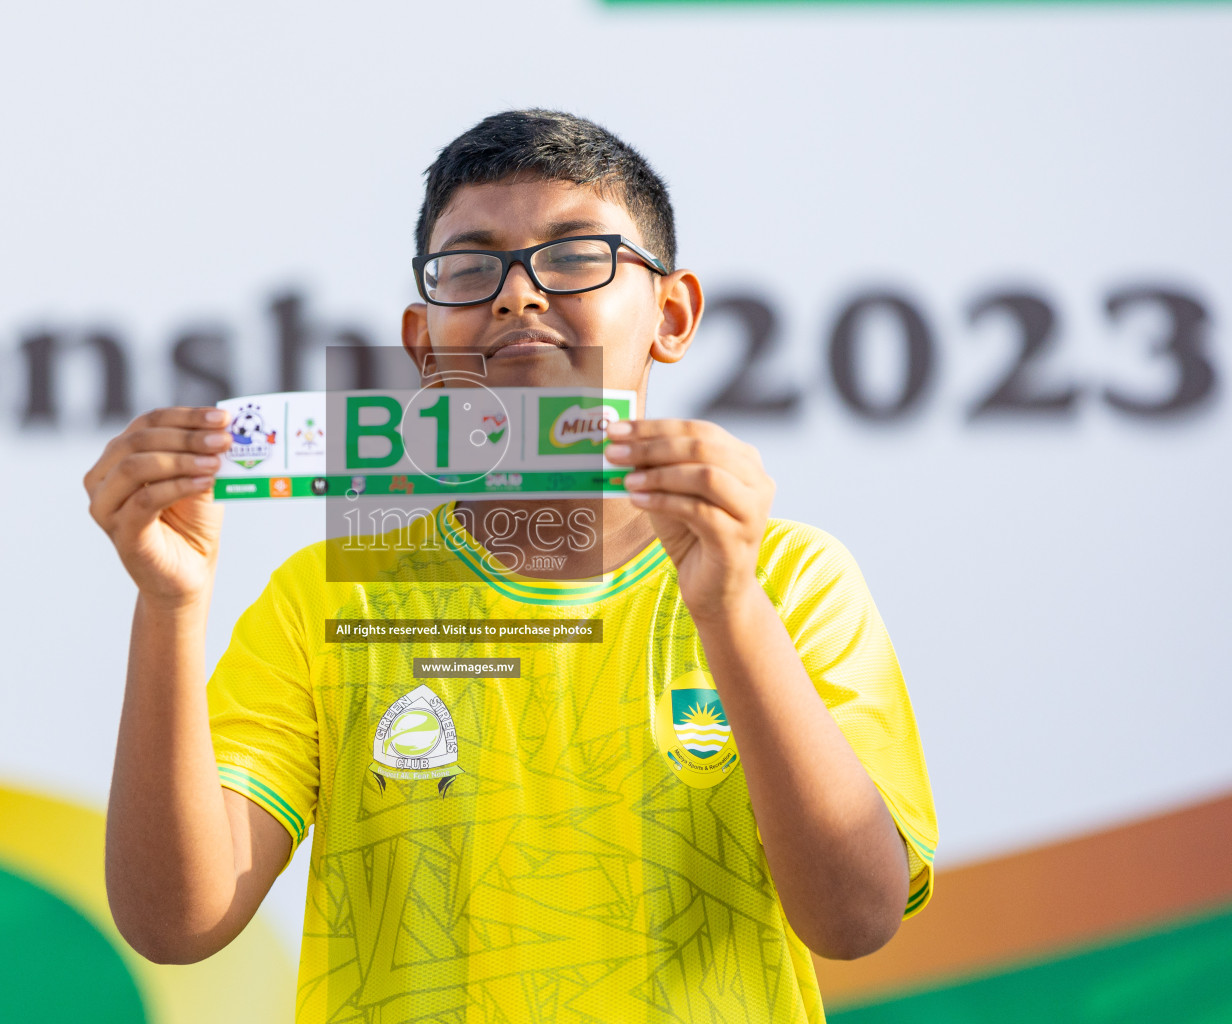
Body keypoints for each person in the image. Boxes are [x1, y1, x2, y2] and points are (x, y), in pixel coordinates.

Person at [84, 109, 937, 1024]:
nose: (518, 295)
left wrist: (729, 608)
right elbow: (176, 924)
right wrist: (169, 606)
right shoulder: (327, 596)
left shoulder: (794, 578)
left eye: (576, 257)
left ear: (674, 314)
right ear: (420, 342)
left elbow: (854, 919)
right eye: (470, 268)